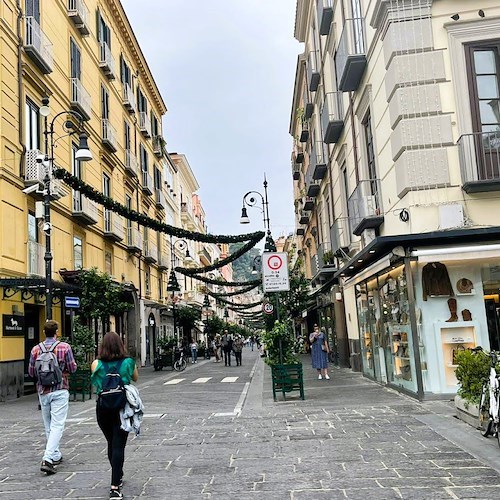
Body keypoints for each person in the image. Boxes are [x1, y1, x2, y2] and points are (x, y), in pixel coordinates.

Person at [91, 332, 138, 499]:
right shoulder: (128, 362)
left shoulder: (96, 363)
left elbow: (95, 383)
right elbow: (135, 378)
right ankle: (115, 486)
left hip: (102, 409)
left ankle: (117, 475)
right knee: (119, 446)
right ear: (121, 345)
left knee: (111, 442)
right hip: (121, 408)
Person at [28, 320, 77, 475]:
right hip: (60, 389)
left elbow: (31, 372)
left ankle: (55, 454)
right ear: (57, 332)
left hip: (43, 391)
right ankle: (48, 458)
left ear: (44, 332)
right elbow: (72, 367)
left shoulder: (36, 349)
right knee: (57, 425)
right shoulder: (64, 347)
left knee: (49, 425)